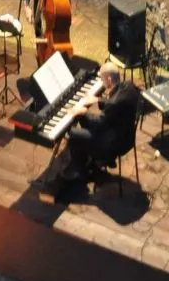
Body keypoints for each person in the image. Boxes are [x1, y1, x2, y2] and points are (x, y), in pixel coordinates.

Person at [55, 63, 140, 191]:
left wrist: (82, 112)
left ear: (109, 80)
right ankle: (91, 161)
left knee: (73, 134)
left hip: (114, 143)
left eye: (102, 79)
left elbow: (100, 122)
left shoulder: (114, 103)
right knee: (84, 122)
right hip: (127, 136)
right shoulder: (128, 87)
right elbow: (115, 104)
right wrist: (97, 100)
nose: (101, 82)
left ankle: (80, 172)